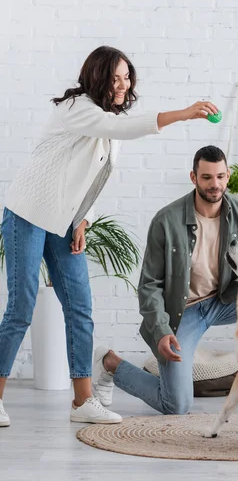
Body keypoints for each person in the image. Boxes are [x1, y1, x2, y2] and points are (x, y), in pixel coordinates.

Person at [0, 46, 219, 428]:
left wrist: (84, 218)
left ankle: (83, 400)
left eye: (126, 77)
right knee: (22, 306)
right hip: (28, 214)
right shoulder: (77, 108)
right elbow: (120, 128)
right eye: (115, 78)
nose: (122, 84)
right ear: (97, 79)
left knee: (80, 307)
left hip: (64, 222)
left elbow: (92, 178)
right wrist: (183, 114)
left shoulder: (104, 123)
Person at [92, 145, 238, 415]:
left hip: (226, 299)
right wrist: (161, 330)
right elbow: (149, 285)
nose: (214, 184)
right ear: (194, 178)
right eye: (206, 177)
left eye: (219, 176)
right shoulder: (166, 221)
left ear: (227, 175)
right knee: (177, 405)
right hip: (185, 312)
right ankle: (110, 363)